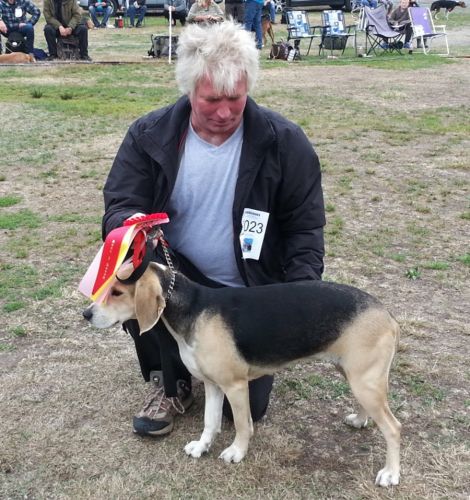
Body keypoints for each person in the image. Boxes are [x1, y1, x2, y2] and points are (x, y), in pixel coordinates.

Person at [102, 20, 325, 438]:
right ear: (189, 90)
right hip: (179, 277)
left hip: (253, 288)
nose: (224, 112)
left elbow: (305, 228)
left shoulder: (287, 142)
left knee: (246, 411)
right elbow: (120, 203)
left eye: (235, 99)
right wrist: (129, 230)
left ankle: (219, 363)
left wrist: (299, 300)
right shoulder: (149, 135)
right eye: (211, 100)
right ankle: (172, 382)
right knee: (131, 271)